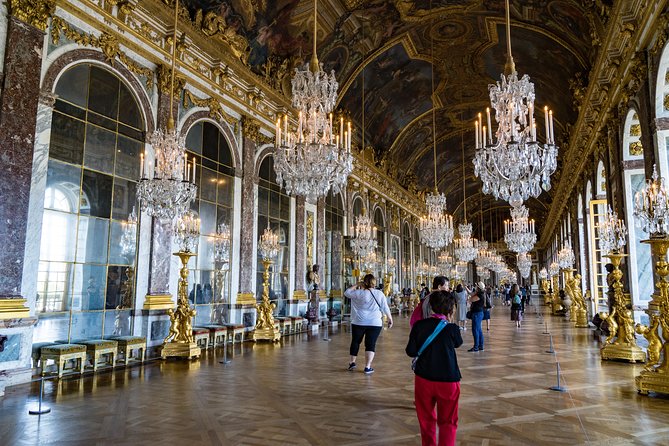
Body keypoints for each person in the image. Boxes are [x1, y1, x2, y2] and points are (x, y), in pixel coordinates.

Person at [406, 291, 462, 446]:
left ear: (431, 307)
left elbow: (410, 351)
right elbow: (458, 343)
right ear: (451, 310)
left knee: (426, 419)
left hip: (424, 379)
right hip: (448, 380)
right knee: (448, 421)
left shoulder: (419, 325)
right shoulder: (452, 329)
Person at [344, 274, 394, 374]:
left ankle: (352, 363)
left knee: (356, 342)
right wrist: (390, 318)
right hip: (375, 323)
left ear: (364, 282)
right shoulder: (379, 293)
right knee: (370, 344)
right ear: (374, 283)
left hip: (358, 321)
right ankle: (367, 367)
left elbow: (346, 292)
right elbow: (385, 307)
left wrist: (357, 284)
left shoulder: (358, 293)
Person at [467, 282, 486, 352]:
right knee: (479, 330)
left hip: (477, 314)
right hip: (478, 313)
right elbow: (471, 295)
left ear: (479, 288)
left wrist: (469, 297)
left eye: (477, 287)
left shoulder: (479, 295)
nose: (475, 287)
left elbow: (471, 299)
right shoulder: (479, 294)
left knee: (475, 330)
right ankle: (480, 346)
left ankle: (476, 347)